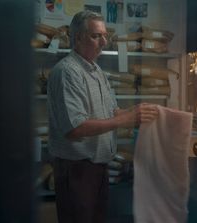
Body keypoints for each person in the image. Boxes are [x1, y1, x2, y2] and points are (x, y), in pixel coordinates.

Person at [46, 10, 159, 223]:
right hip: (77, 169)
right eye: (96, 36)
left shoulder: (96, 71)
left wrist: (138, 111)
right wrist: (126, 119)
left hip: (97, 167)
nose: (104, 42)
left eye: (105, 35)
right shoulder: (67, 72)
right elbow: (75, 128)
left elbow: (112, 112)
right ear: (78, 37)